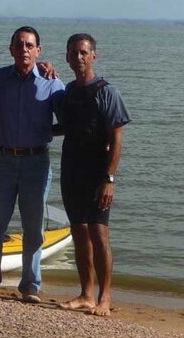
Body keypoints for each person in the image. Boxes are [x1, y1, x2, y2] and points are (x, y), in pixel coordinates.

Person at [0, 26, 65, 303]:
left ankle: (30, 286)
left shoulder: (52, 83)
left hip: (37, 162)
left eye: (29, 45)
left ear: (38, 51)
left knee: (33, 228)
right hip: (2, 161)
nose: (24, 49)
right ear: (11, 49)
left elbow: (70, 122)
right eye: (19, 45)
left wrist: (45, 132)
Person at [56, 33, 131, 316]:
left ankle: (105, 297)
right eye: (73, 53)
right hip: (71, 170)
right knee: (79, 233)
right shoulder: (68, 92)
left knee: (99, 234)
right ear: (67, 57)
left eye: (83, 52)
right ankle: (86, 293)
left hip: (98, 174)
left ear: (93, 56)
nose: (78, 57)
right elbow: (68, 127)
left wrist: (109, 179)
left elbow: (118, 139)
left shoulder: (107, 92)